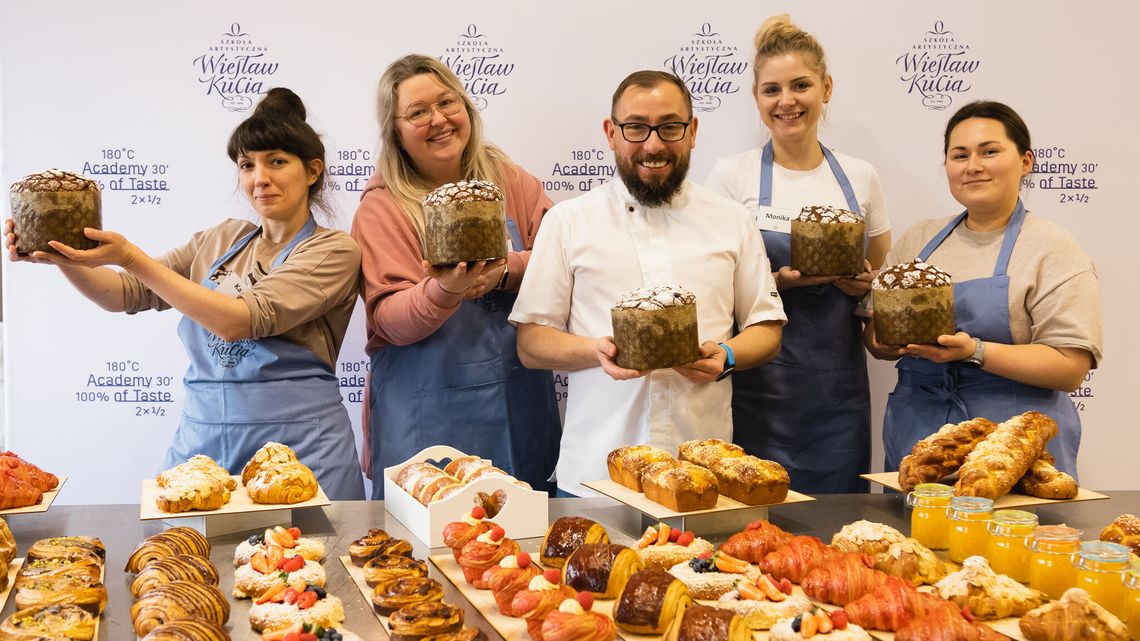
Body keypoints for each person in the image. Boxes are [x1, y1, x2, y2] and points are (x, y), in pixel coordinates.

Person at [5, 88, 366, 499]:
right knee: (183, 543)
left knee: (303, 542)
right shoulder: (221, 239)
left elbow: (241, 319)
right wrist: (62, 256)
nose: (259, 178)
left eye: (277, 162)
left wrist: (130, 256)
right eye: (247, 165)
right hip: (205, 444)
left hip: (301, 451)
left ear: (313, 171)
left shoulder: (333, 250)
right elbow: (124, 293)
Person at [511, 70, 786, 497]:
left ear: (692, 132)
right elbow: (531, 343)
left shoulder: (732, 219)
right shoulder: (568, 221)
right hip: (594, 477)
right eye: (636, 127)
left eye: (670, 127)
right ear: (611, 133)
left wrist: (728, 355)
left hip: (702, 480)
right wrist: (595, 350)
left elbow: (767, 328)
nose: (653, 145)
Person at [352, 54, 560, 497]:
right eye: (417, 112)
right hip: (423, 421)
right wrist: (444, 290)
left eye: (447, 103)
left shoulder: (510, 181)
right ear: (395, 131)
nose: (438, 120)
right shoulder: (383, 206)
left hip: (516, 405)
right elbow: (388, 318)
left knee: (522, 534)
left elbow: (561, 259)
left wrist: (505, 272)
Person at [704, 15, 891, 493]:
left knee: (840, 517)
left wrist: (863, 284)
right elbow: (711, 285)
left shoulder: (861, 176)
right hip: (757, 383)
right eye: (772, 90)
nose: (786, 101)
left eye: (801, 85)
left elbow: (877, 272)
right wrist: (775, 284)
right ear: (756, 97)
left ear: (826, 88)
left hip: (839, 390)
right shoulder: (732, 176)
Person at [866, 100, 1102, 476]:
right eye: (960, 155)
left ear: (1026, 161)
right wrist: (882, 341)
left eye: (989, 152)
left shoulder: (1052, 248)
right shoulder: (919, 241)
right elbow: (873, 335)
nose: (973, 166)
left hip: (1012, 442)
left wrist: (975, 351)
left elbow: (1070, 367)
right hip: (919, 434)